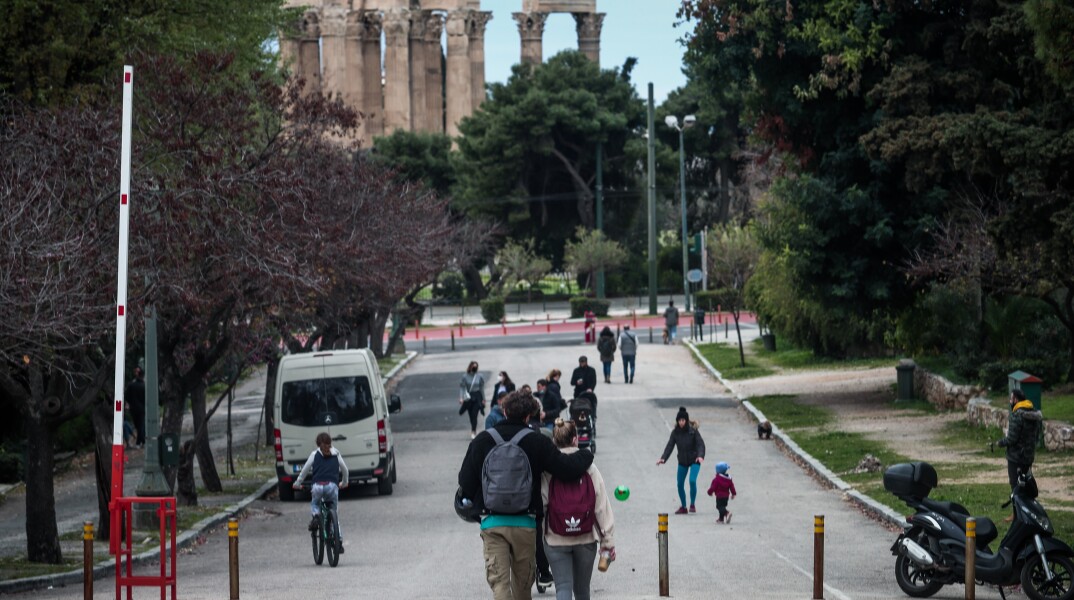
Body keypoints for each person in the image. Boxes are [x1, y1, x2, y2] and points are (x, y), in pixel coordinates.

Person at [457, 391, 594, 600]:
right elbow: (565, 468)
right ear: (529, 416)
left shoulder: (483, 441)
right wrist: (585, 453)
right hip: (526, 523)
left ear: (503, 410)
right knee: (522, 588)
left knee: (500, 586)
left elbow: (465, 482)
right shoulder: (537, 442)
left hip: (492, 523)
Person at [541, 418, 617, 600]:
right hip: (585, 537)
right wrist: (607, 541)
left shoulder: (547, 470)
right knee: (582, 591)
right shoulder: (590, 468)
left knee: (563, 588)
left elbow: (542, 503)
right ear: (575, 439)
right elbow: (601, 506)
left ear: (554, 441)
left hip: (555, 538)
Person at [293, 432, 350, 551]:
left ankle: (315, 517)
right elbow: (345, 470)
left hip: (318, 486)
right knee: (334, 512)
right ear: (330, 443)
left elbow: (304, 470)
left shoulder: (314, 454)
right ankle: (338, 540)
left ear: (318, 444)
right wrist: (344, 483)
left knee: (315, 503)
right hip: (332, 486)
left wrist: (297, 483)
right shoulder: (336, 453)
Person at [656, 406, 706, 514]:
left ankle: (692, 504)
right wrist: (663, 458)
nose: (681, 422)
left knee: (692, 481)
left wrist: (700, 456)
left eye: (683, 420)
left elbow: (700, 444)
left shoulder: (693, 431)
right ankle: (684, 507)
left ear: (686, 420)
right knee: (679, 484)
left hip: (694, 460)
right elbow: (670, 446)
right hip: (682, 461)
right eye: (679, 420)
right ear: (677, 421)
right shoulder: (675, 433)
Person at [995, 388, 1042, 491]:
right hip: (1028, 457)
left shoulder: (1017, 415)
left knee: (1016, 487)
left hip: (1016, 458)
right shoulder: (1034, 414)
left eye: (1011, 399)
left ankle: (1018, 507)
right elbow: (1037, 436)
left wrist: (1000, 443)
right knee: (1026, 485)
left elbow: (1012, 439)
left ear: (1016, 400)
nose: (1010, 401)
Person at [459, 361, 487, 439]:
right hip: (469, 397)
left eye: (476, 366)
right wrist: (461, 397)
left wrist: (484, 399)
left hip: (477, 397)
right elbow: (462, 387)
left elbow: (481, 388)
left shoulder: (479, 376)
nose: (474, 368)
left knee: (475, 414)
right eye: (473, 366)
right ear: (470, 367)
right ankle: (473, 428)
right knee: (471, 415)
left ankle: (473, 430)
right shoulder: (465, 376)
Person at [125, 367, 146, 447]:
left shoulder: (131, 385)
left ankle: (140, 441)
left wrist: (130, 403)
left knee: (138, 425)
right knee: (140, 425)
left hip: (133, 408)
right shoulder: (144, 386)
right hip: (142, 408)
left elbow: (127, 396)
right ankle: (141, 441)